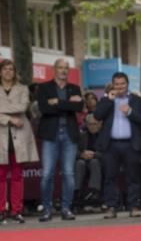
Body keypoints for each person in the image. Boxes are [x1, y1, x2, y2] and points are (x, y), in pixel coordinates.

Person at [93, 72, 141, 218]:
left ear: (127, 84)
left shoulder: (136, 100)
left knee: (133, 176)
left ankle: (133, 206)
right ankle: (112, 206)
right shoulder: (106, 100)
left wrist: (130, 112)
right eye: (117, 84)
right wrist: (108, 101)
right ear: (113, 85)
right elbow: (97, 115)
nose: (120, 87)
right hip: (111, 145)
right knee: (110, 177)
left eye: (122, 84)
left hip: (131, 144)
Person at [36, 58, 83, 221]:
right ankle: (47, 209)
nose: (63, 71)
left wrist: (58, 102)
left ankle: (66, 208)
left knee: (69, 174)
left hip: (69, 134)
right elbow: (44, 108)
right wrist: (67, 104)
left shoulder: (74, 88)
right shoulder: (43, 87)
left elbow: (78, 107)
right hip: (51, 134)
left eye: (66, 68)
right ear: (54, 69)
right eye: (60, 68)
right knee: (47, 174)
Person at [0, 60, 39, 223]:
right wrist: (9, 118)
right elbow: (15, 111)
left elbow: (22, 108)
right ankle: (1, 210)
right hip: (2, 135)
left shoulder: (23, 89)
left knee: (17, 175)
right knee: (0, 175)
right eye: (5, 69)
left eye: (11, 69)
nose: (8, 72)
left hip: (19, 135)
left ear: (15, 72)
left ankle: (17, 210)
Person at [74, 114, 103, 211]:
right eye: (90, 124)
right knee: (79, 164)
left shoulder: (103, 135)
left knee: (94, 162)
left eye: (95, 124)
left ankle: (94, 192)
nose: (93, 126)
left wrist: (94, 154)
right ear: (86, 125)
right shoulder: (82, 135)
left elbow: (107, 153)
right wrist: (81, 155)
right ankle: (76, 192)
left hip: (98, 161)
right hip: (83, 160)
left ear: (99, 124)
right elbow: (75, 151)